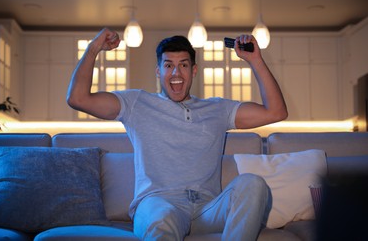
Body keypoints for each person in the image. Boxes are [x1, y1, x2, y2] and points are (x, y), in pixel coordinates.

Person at [67, 28, 288, 241]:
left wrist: (255, 60)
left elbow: (276, 112)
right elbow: (78, 98)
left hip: (207, 210)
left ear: (193, 70)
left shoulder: (218, 109)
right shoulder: (136, 103)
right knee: (163, 219)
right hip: (158, 203)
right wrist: (94, 47)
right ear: (158, 71)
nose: (176, 73)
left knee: (253, 183)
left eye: (183, 65)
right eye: (168, 65)